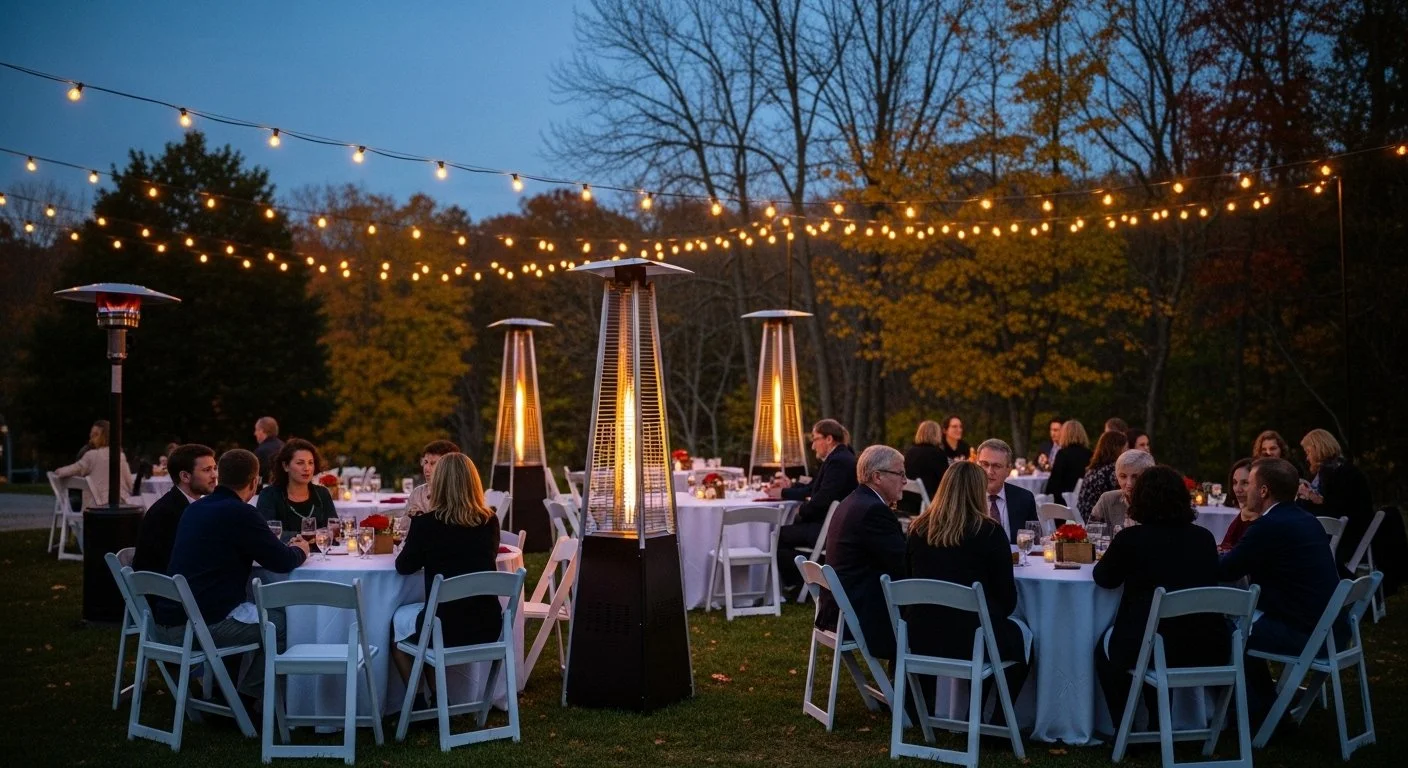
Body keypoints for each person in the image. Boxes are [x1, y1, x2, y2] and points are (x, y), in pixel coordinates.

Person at [155, 449, 310, 705]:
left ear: (220, 477)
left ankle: (234, 691)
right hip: (198, 627)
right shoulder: (240, 512)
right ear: (254, 482)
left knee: (251, 610)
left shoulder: (195, 509)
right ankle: (249, 698)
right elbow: (282, 561)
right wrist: (301, 550)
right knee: (282, 624)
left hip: (169, 620)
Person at [1093, 465, 1229, 730]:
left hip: (1154, 648)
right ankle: (1157, 722)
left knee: (1105, 649)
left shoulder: (1131, 539)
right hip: (1209, 644)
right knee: (1147, 635)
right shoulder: (1204, 538)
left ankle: (1126, 729)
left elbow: (1104, 578)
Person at [1219, 458, 1343, 729]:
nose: (1245, 490)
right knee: (1242, 625)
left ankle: (1253, 716)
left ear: (1263, 491)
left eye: (1249, 484)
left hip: (1305, 634)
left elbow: (1226, 569)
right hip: (1331, 631)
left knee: (1224, 630)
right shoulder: (1306, 519)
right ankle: (1268, 710)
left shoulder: (1269, 525)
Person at [905, 461, 1029, 720]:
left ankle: (932, 714)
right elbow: (1007, 602)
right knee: (1026, 641)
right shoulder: (989, 532)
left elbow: (908, 581)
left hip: (921, 637)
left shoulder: (917, 530)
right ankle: (997, 721)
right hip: (973, 640)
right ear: (977, 491)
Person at [392, 453, 502, 699]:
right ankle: (441, 700)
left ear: (439, 484)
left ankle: (420, 701)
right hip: (487, 624)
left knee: (395, 628)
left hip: (444, 627)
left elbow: (404, 566)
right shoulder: (490, 521)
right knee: (429, 617)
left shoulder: (427, 525)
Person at [813, 445, 907, 661]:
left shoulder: (853, 501)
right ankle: (912, 691)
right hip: (858, 614)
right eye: (900, 473)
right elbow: (903, 563)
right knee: (934, 613)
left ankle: (905, 687)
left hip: (839, 608)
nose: (904, 480)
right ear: (878, 477)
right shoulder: (873, 510)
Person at [1297, 429, 1402, 590]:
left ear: (1318, 449)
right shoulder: (1337, 471)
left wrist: (1308, 498)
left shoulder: (1340, 474)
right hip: (1350, 533)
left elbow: (1334, 510)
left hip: (1349, 538)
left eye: (1308, 452)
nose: (1307, 457)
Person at [772, 419, 858, 592]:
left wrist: (800, 510)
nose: (813, 446)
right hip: (831, 524)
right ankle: (796, 583)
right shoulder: (839, 457)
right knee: (786, 532)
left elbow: (822, 500)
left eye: (815, 439)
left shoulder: (838, 462)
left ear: (829, 439)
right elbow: (813, 487)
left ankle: (797, 583)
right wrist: (787, 489)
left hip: (829, 529)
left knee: (775, 536)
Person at [132, 444, 216, 574]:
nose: (214, 475)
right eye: (207, 470)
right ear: (185, 476)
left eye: (215, 468)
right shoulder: (170, 511)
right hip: (167, 589)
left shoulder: (182, 504)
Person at [256, 438, 336, 536]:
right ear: (285, 466)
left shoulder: (322, 493)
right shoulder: (269, 495)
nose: (307, 468)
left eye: (310, 463)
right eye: (300, 463)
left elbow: (333, 530)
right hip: (284, 551)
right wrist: (300, 538)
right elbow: (266, 534)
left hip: (321, 550)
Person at [54, 419, 135, 509]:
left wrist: (56, 472)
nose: (91, 437)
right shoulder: (120, 456)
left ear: (106, 436)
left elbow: (66, 471)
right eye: (91, 434)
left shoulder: (91, 455)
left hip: (94, 507)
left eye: (96, 434)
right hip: (121, 505)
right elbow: (130, 485)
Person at [974, 438, 1038, 543]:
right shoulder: (965, 498)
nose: (989, 472)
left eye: (996, 466)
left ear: (1008, 470)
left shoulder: (1024, 499)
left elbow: (1034, 541)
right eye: (984, 464)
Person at [1089, 448, 1156, 526]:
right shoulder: (1107, 500)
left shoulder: (1158, 502)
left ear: (1148, 477)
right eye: (1123, 476)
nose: (1129, 484)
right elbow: (1092, 533)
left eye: (1135, 477)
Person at [1076, 430, 1128, 521]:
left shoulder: (1093, 469)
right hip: (1101, 522)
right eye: (1126, 448)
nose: (1127, 452)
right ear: (1118, 449)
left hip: (1085, 518)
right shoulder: (1113, 471)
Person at [405, 440, 461, 516]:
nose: (426, 468)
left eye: (433, 463)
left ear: (449, 466)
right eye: (425, 462)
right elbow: (406, 527)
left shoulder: (461, 494)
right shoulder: (417, 494)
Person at [901, 420, 947, 514]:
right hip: (927, 502)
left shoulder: (910, 452)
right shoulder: (937, 454)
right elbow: (946, 480)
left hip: (906, 501)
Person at [1043, 420, 1092, 505]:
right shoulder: (1090, 454)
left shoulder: (1062, 454)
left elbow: (1053, 483)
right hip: (1085, 501)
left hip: (1064, 503)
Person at [1218, 458, 1256, 552]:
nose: (1238, 489)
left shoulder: (1265, 519)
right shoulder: (1243, 514)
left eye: (1245, 483)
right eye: (1235, 483)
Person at [252, 416, 284, 485]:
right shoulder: (285, 447)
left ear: (262, 430)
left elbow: (255, 477)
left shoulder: (261, 451)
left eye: (256, 430)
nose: (255, 433)